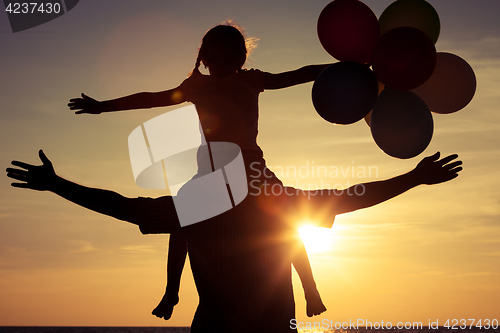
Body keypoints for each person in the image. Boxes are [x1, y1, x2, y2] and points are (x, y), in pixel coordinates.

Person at [7, 149, 462, 332]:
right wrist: (414, 178)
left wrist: (57, 185)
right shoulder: (274, 203)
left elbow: (124, 207)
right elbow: (349, 198)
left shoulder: (213, 205)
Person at [68, 22, 333, 319]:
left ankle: (310, 288)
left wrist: (348, 67)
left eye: (226, 58)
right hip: (210, 166)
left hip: (249, 166)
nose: (218, 64)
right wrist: (103, 106)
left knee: (285, 219)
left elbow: (301, 73)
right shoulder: (197, 87)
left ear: (239, 59)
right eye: (213, 58)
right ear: (205, 60)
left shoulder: (252, 81)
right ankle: (172, 291)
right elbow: (150, 99)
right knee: (182, 222)